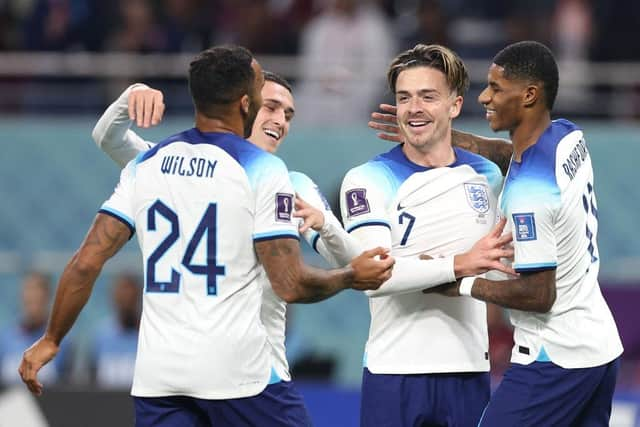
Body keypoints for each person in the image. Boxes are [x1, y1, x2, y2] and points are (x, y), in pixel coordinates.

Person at [18, 45, 395, 427]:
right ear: (246, 103)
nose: (280, 119)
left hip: (161, 376)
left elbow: (87, 260)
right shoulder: (268, 174)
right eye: (270, 104)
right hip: (242, 376)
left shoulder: (152, 164)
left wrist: (326, 225)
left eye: (289, 114)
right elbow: (298, 281)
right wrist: (132, 94)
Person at [435, 40, 623, 426]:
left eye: (496, 88)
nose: (484, 96)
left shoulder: (527, 197)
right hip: (599, 348)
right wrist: (446, 137)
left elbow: (538, 294)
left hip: (554, 358)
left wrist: (459, 283)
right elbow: (512, 155)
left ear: (530, 95)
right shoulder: (569, 138)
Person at [331, 43, 514, 427]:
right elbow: (376, 276)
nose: (414, 108)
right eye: (404, 98)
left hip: (469, 370)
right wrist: (462, 263)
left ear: (455, 105)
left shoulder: (488, 176)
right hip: (394, 370)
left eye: (428, 97)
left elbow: (531, 158)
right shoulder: (366, 179)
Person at [0, 271, 73, 386]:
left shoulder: (62, 341)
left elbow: (68, 385)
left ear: (47, 297)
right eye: (29, 290)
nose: (33, 296)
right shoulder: (4, 339)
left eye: (38, 291)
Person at [90, 272, 141, 389]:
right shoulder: (101, 337)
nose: (126, 303)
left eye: (130, 299)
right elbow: (91, 379)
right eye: (122, 298)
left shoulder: (147, 336)